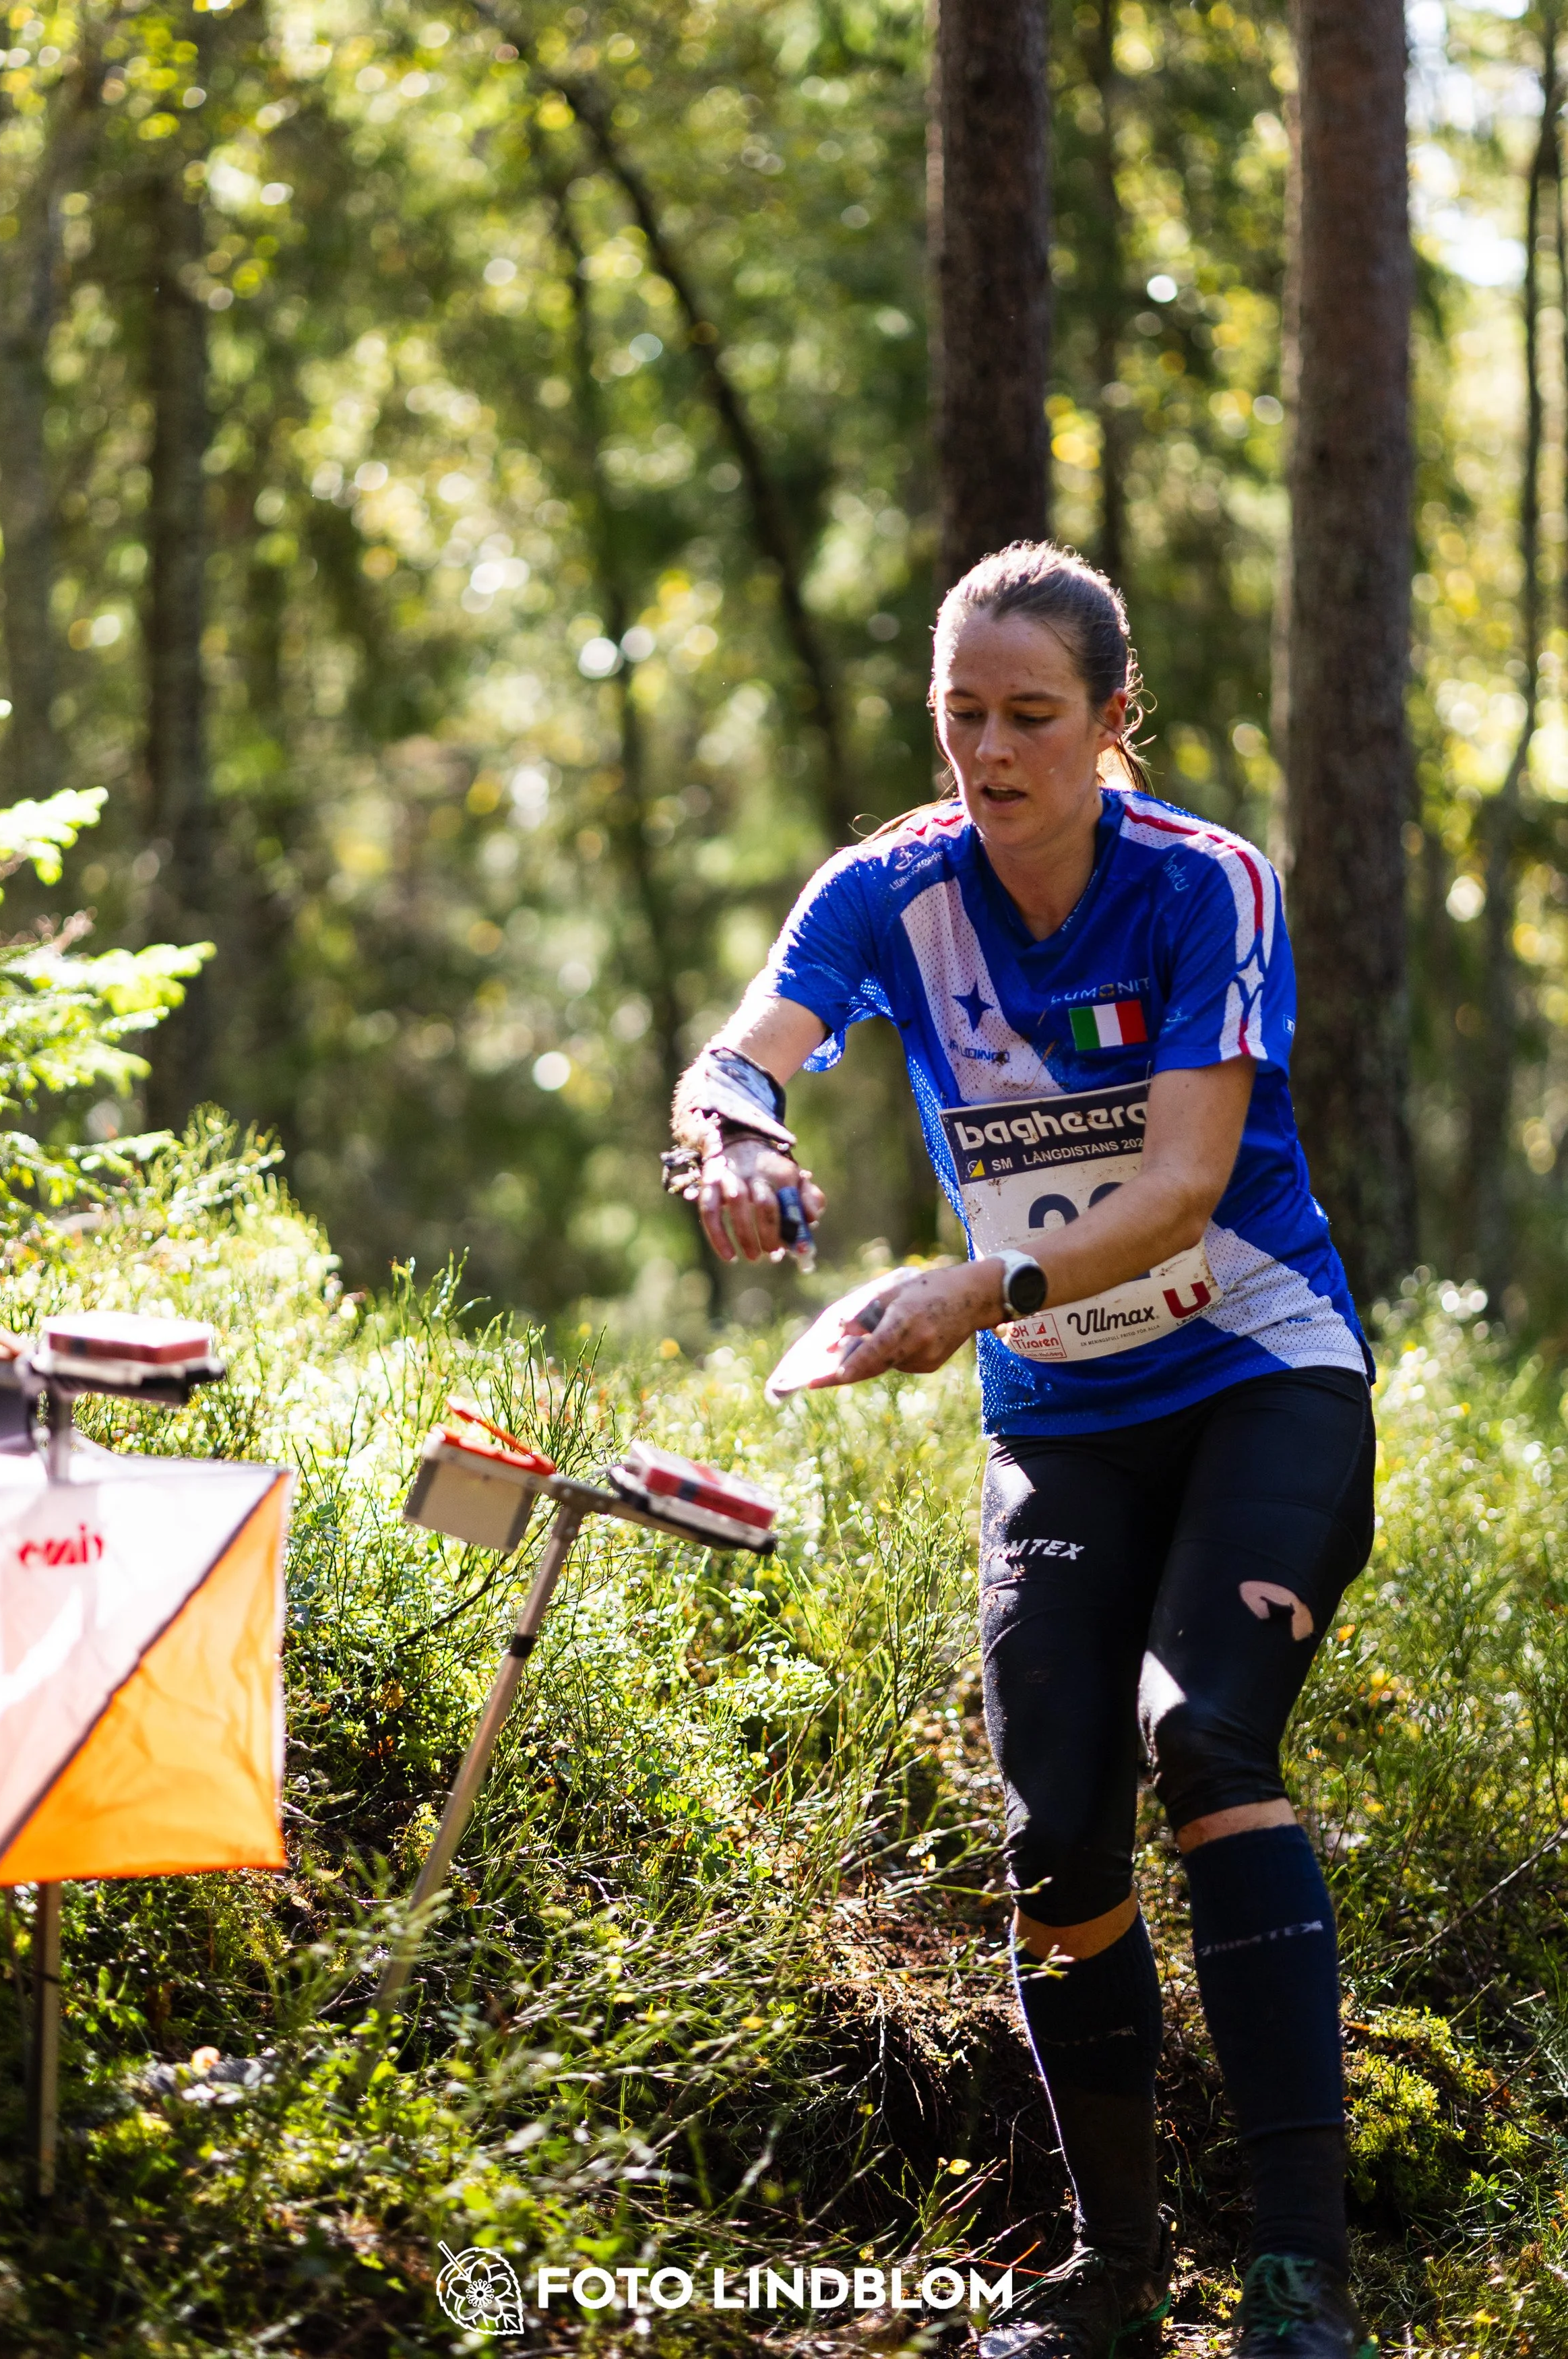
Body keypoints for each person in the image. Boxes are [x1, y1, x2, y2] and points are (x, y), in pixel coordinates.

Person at [665, 544, 1379, 2359]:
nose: (987, 750)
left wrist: (968, 1287)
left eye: (1028, 716)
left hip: (1253, 1370)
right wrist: (731, 1133)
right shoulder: (885, 891)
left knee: (1203, 1733)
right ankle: (1109, 2278)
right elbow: (739, 1055)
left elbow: (1181, 1187)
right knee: (1057, 1834)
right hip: (1058, 1416)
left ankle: (1300, 2278)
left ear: (1110, 720)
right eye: (958, 714)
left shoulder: (1203, 886)